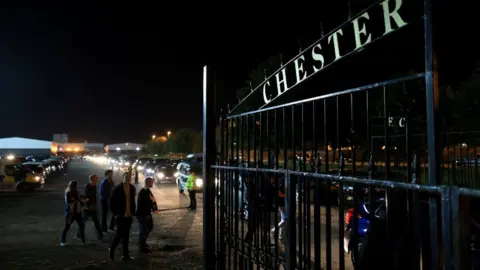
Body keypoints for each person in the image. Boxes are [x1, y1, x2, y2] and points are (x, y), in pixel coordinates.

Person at [108, 172, 136, 260]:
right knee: (119, 234)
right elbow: (111, 202)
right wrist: (115, 213)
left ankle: (125, 255)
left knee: (126, 236)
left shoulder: (132, 188)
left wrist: (133, 212)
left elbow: (132, 201)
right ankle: (112, 249)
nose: (127, 179)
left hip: (128, 215)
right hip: (120, 216)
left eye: (129, 177)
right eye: (126, 177)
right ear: (123, 177)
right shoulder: (117, 188)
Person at [61, 180, 88, 246]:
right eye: (76, 186)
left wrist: (83, 200)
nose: (77, 187)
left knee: (81, 226)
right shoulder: (68, 193)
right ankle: (62, 241)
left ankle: (83, 241)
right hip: (71, 213)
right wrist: (78, 200)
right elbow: (68, 202)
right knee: (67, 227)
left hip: (77, 213)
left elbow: (81, 199)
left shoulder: (76, 192)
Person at [77, 174, 103, 240]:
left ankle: (100, 235)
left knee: (96, 222)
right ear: (92, 179)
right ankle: (79, 234)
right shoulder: (88, 187)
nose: (97, 180)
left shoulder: (94, 186)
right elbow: (87, 197)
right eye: (96, 179)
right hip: (88, 208)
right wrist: (89, 205)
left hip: (93, 207)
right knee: (84, 222)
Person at [135, 177, 158, 253]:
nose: (152, 183)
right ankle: (142, 246)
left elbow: (152, 201)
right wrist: (147, 214)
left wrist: (154, 209)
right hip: (142, 214)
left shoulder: (147, 191)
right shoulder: (143, 192)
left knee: (149, 227)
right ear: (147, 182)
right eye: (151, 182)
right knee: (144, 230)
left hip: (146, 213)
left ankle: (142, 242)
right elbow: (144, 204)